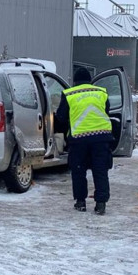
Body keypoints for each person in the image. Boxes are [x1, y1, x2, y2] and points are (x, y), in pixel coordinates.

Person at [55, 68, 112, 215]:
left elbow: (61, 117)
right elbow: (107, 110)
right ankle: (101, 204)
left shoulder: (69, 94)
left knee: (78, 170)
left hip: (79, 138)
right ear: (90, 80)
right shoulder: (101, 92)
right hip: (101, 137)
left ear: (75, 81)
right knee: (100, 170)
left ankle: (80, 202)